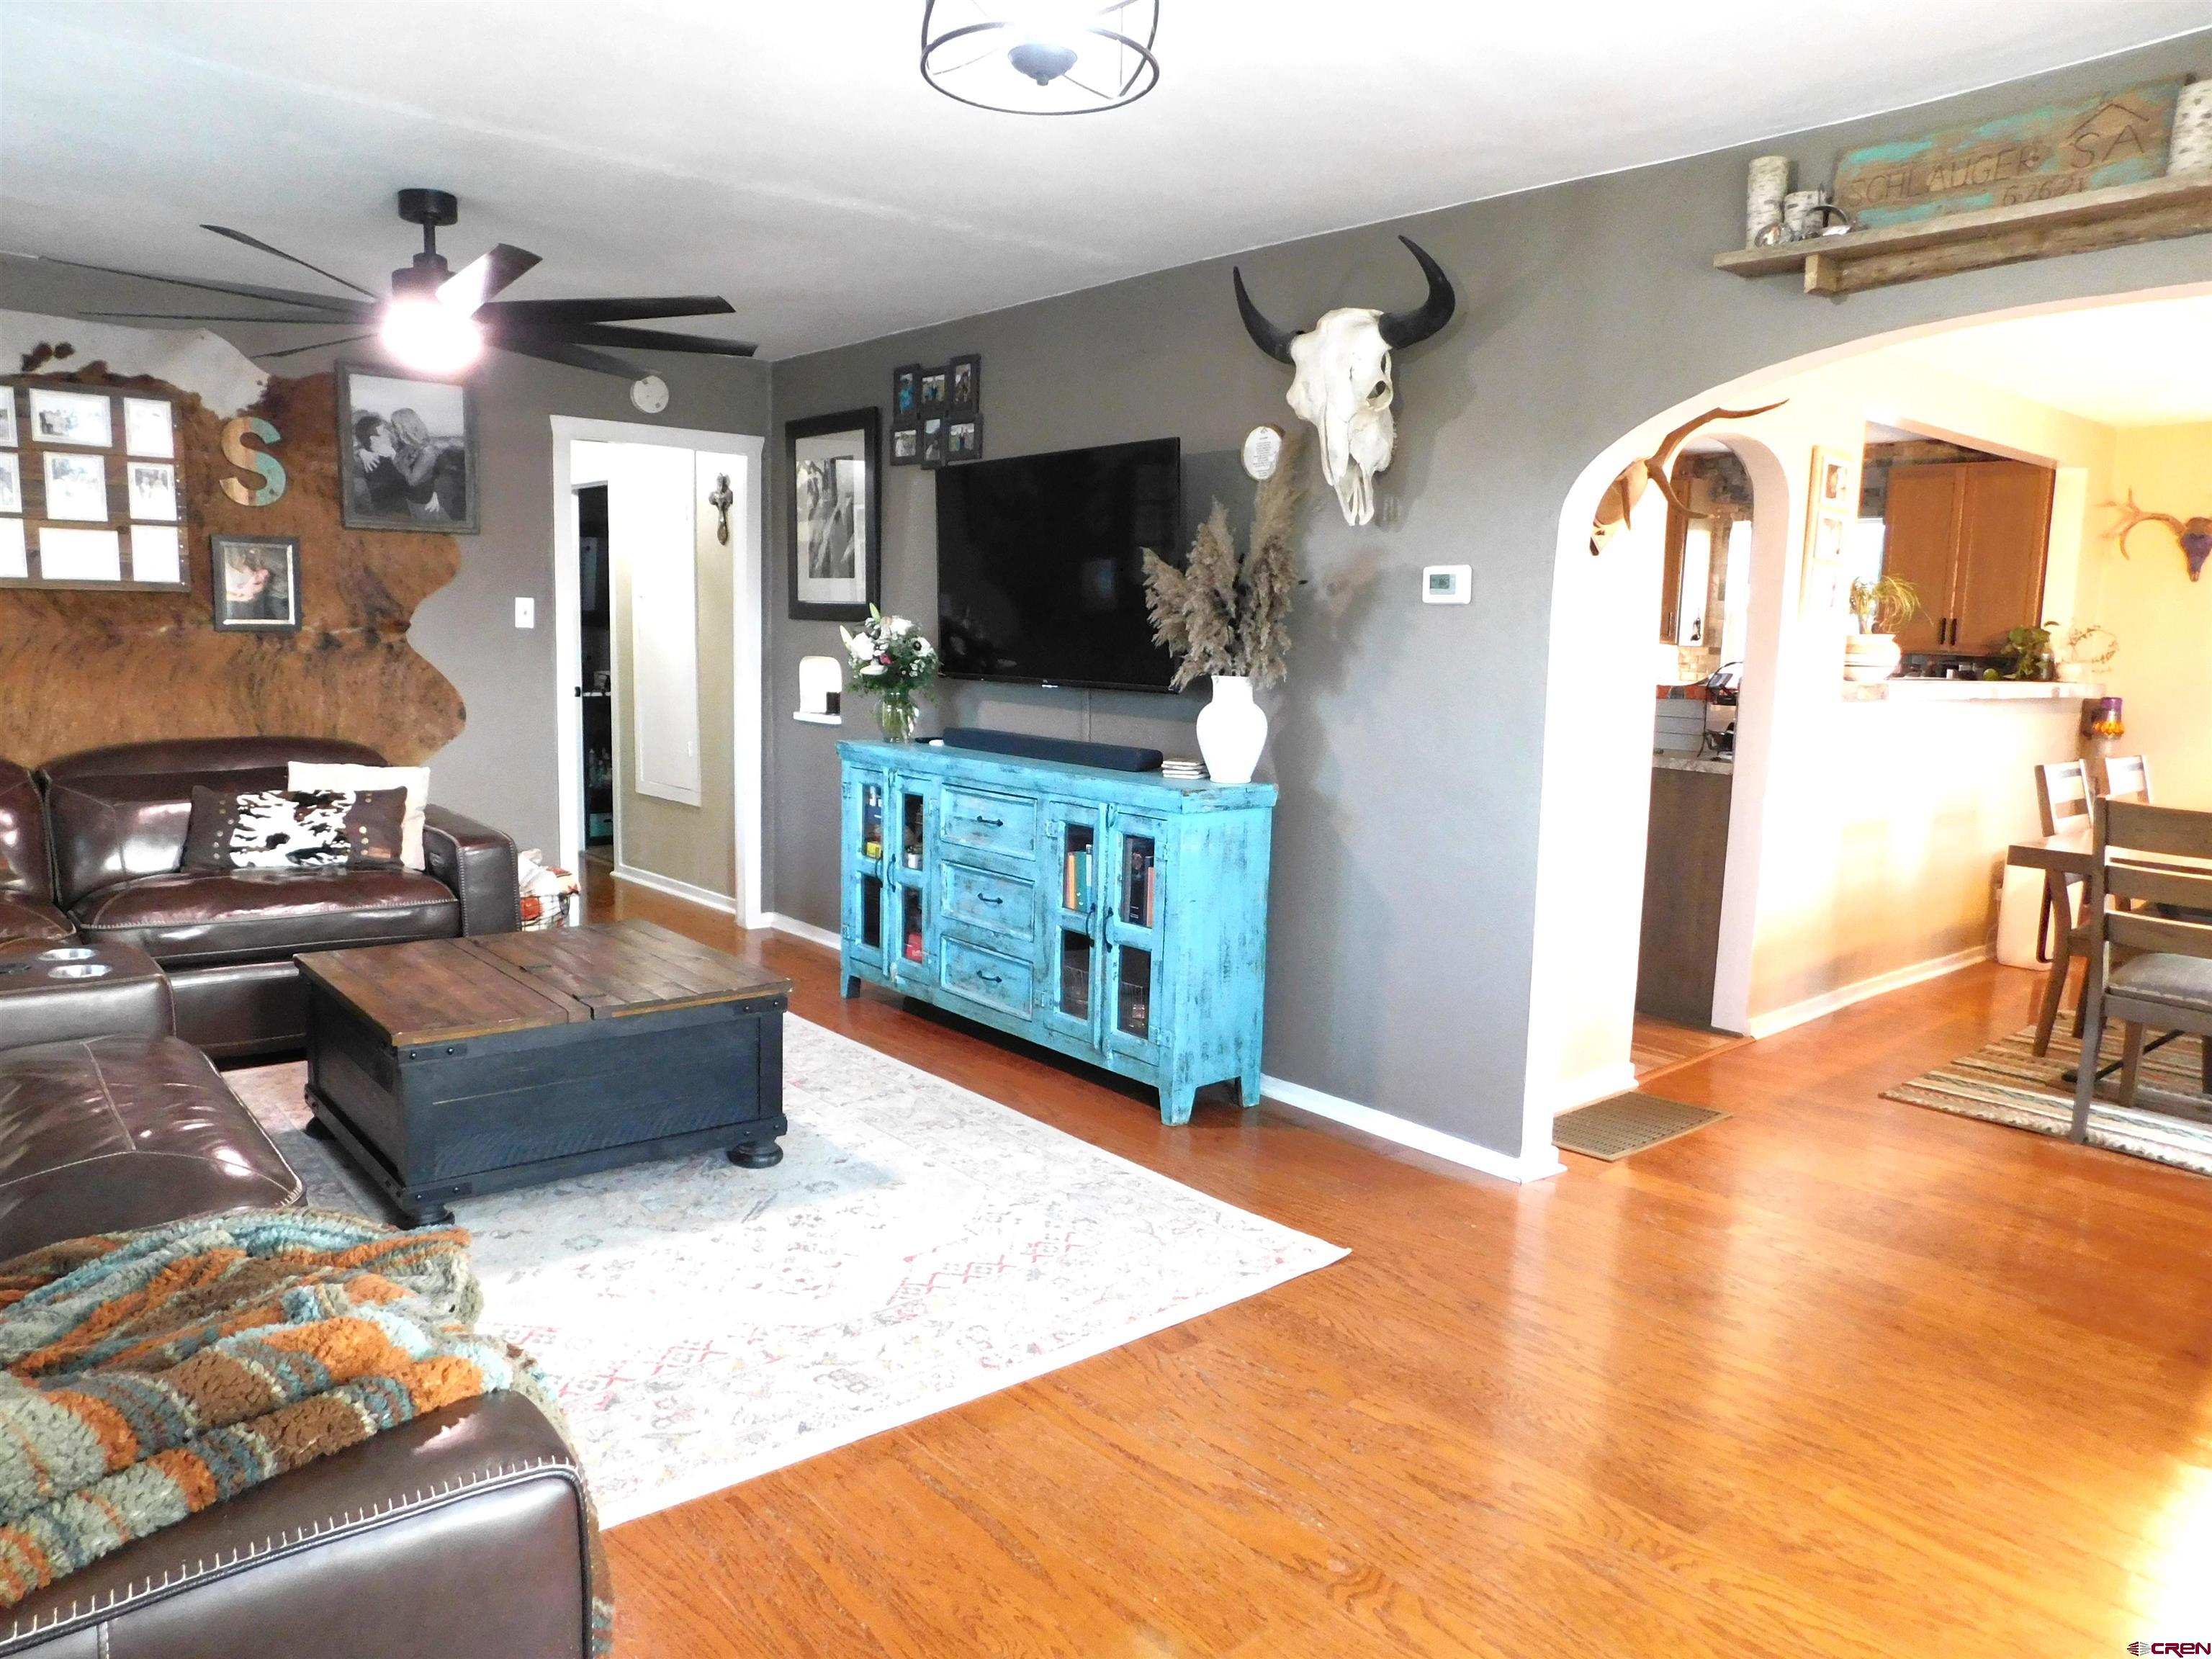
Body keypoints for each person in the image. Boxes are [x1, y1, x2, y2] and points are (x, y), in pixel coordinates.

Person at [388, 407, 468, 523]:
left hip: (425, 505)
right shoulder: (406, 448)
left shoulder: (427, 451)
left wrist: (401, 464)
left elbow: (412, 481)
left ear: (404, 427)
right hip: (411, 502)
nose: (392, 429)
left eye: (394, 425)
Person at [351, 413, 411, 518]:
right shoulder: (380, 463)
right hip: (394, 516)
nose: (388, 433)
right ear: (373, 439)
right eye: (383, 431)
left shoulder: (372, 458)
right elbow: (409, 487)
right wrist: (393, 455)